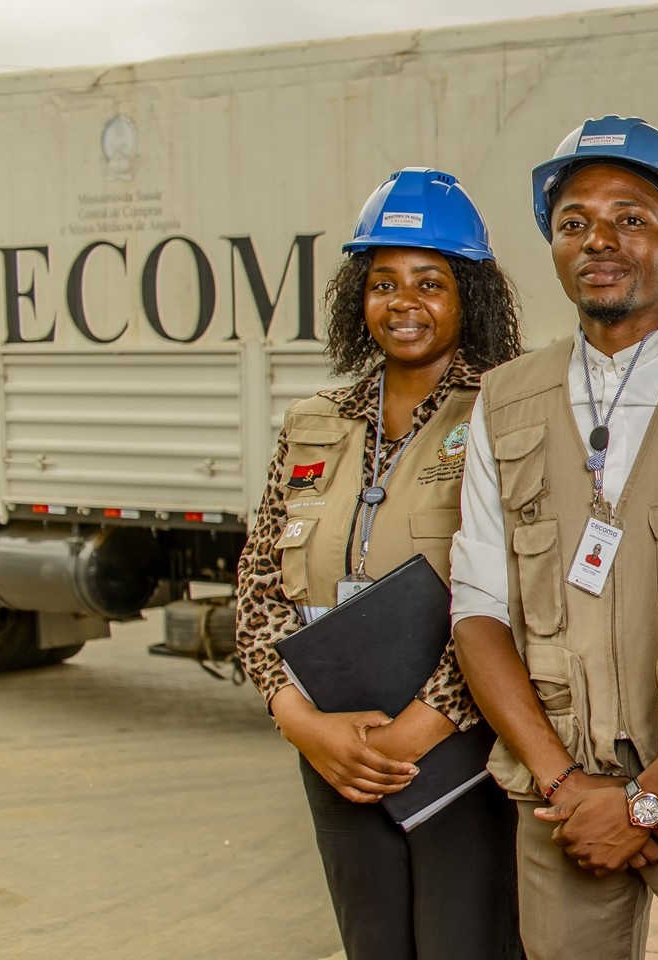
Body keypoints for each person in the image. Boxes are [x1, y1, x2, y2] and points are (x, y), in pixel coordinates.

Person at [449, 117, 658, 960]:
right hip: (558, 797)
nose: (599, 240)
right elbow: (478, 611)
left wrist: (648, 797)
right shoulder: (503, 399)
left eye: (631, 217)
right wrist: (567, 784)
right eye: (573, 221)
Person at [234, 167, 524, 959]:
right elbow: (258, 588)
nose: (404, 303)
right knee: (372, 943)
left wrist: (418, 729)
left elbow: (526, 593)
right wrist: (301, 722)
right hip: (336, 748)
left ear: (471, 296)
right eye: (383, 282)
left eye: (430, 282)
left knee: (465, 941)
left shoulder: (508, 412)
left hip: (457, 752)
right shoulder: (314, 423)